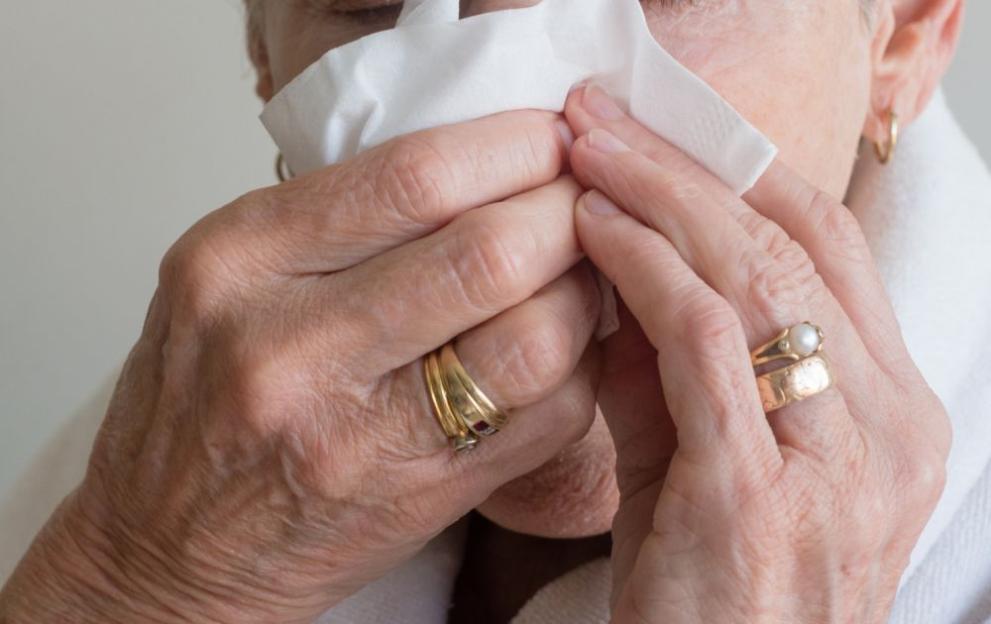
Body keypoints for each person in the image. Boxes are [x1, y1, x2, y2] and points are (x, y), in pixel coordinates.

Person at [2, 0, 989, 622]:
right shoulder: (178, 449)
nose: (493, 108)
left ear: (903, 35)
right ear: (265, 56)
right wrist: (132, 586)